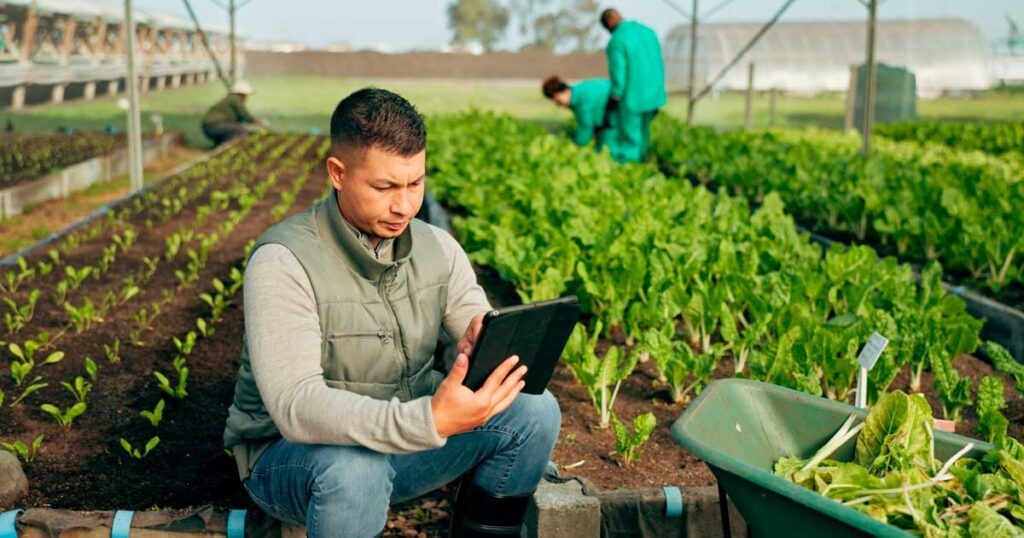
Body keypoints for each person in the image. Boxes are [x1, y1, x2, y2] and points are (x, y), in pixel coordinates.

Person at [223, 87, 561, 538]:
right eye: (384, 187)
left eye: (415, 183)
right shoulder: (284, 260)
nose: (404, 205)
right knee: (355, 469)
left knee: (534, 411)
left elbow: (473, 314)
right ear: (338, 173)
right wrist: (428, 421)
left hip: (405, 440)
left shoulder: (437, 246)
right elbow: (296, 407)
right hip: (294, 461)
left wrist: (484, 339)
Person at [601, 8, 667, 163]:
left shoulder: (617, 40)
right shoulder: (648, 32)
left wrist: (615, 96)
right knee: (644, 136)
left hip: (633, 96)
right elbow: (658, 63)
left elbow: (619, 73)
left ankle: (630, 172)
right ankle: (642, 166)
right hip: (653, 95)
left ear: (610, 22)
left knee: (630, 138)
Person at [541, 75, 618, 154]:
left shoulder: (581, 102)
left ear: (560, 94)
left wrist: (574, 147)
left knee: (605, 149)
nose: (558, 104)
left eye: (557, 101)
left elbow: (585, 129)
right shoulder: (578, 91)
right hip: (615, 111)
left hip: (619, 113)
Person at [201, 80, 262, 146]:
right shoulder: (235, 99)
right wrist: (256, 121)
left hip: (211, 127)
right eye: (247, 95)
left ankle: (221, 147)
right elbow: (245, 115)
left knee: (236, 129)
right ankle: (226, 147)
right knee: (241, 130)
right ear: (243, 94)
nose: (247, 97)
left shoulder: (230, 98)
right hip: (215, 126)